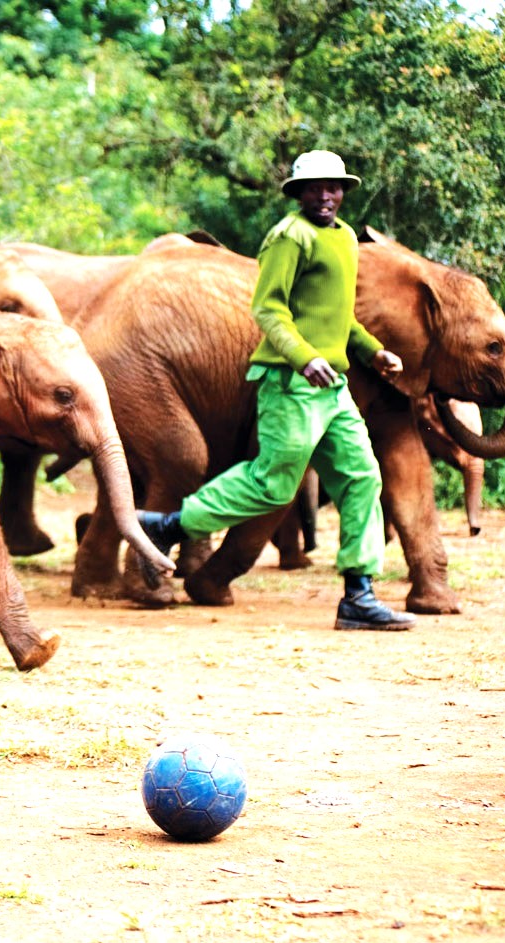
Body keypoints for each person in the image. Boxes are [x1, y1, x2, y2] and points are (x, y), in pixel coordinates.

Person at [137, 149, 416, 631]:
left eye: (333, 187)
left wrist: (373, 353)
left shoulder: (346, 238)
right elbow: (268, 310)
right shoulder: (289, 237)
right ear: (298, 193)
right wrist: (303, 357)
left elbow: (337, 315)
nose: (325, 195)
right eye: (314, 187)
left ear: (344, 191)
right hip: (292, 383)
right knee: (273, 484)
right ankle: (167, 526)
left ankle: (358, 594)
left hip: (334, 386)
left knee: (362, 477)